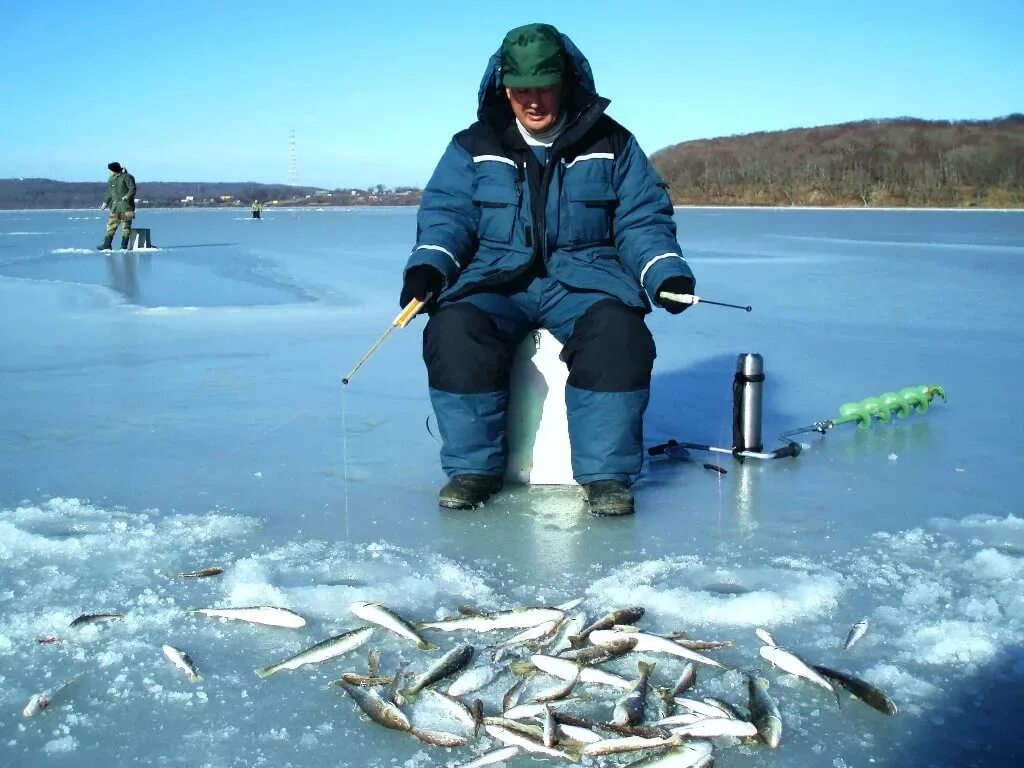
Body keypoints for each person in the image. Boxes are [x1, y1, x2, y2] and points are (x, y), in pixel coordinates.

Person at [399, 23, 696, 516]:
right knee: (455, 327)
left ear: (565, 83)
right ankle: (474, 470)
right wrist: (428, 269)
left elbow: (642, 218)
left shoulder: (613, 143)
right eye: (521, 90)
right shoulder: (471, 145)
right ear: (504, 87)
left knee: (619, 334)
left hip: (586, 275)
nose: (533, 101)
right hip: (496, 279)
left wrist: (666, 274)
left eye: (545, 88)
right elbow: (447, 217)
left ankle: (607, 477)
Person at [98, 162, 136, 250]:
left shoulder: (127, 177)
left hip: (126, 207)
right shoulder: (111, 179)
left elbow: (132, 188)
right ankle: (107, 244)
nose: (109, 172)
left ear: (114, 170)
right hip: (114, 207)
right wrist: (105, 203)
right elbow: (109, 192)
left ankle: (123, 247)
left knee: (125, 227)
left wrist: (127, 196)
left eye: (110, 170)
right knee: (111, 225)